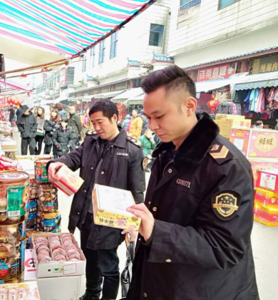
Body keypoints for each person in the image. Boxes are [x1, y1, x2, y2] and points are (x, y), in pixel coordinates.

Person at [126, 65, 259, 300]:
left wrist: (156, 231)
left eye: (159, 116)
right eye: (148, 118)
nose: (152, 126)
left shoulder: (226, 166)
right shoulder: (166, 152)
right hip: (162, 280)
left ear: (189, 106)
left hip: (203, 290)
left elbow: (225, 247)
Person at [47, 100, 145, 300]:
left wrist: (134, 224)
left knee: (108, 266)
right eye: (93, 123)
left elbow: (137, 191)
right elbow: (73, 158)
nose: (97, 127)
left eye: (100, 122)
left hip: (111, 221)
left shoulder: (131, 150)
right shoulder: (90, 142)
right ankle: (92, 294)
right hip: (86, 214)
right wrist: (56, 163)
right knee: (90, 258)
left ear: (115, 119)